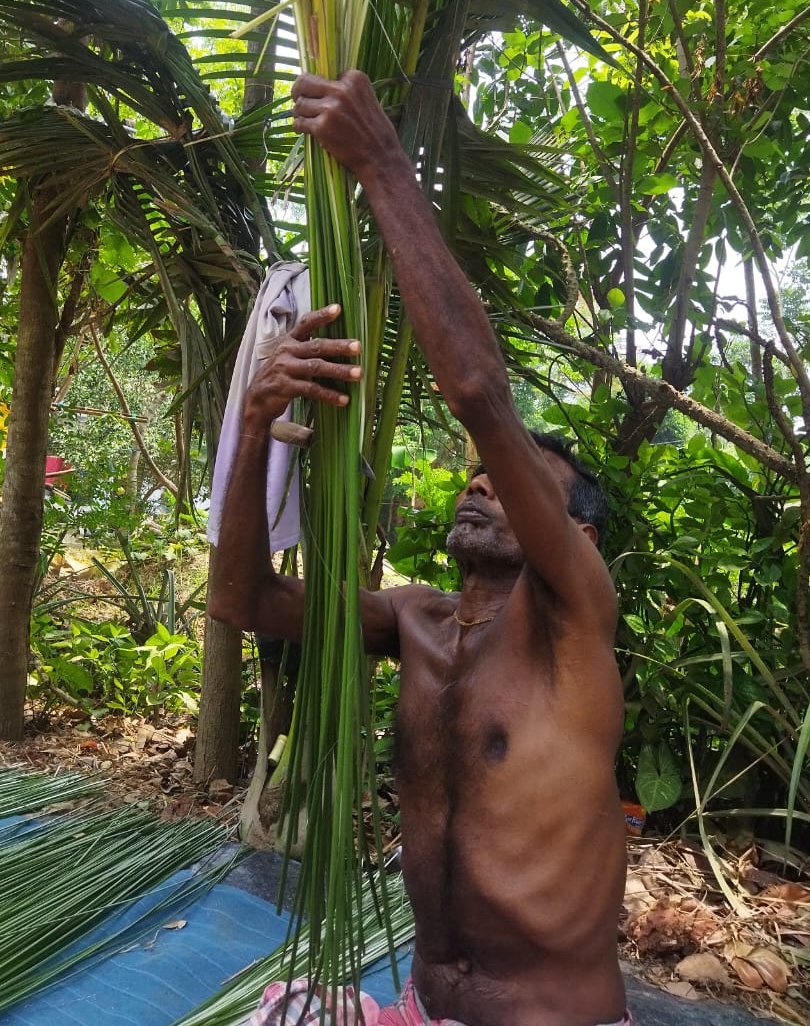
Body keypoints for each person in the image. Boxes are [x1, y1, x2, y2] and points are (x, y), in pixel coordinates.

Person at [208, 71, 629, 1026]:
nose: (482, 483)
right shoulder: (419, 620)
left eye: (518, 482)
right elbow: (244, 600)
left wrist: (382, 165)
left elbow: (481, 396)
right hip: (425, 1009)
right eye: (476, 479)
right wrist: (255, 423)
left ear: (577, 535)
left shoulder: (575, 618)